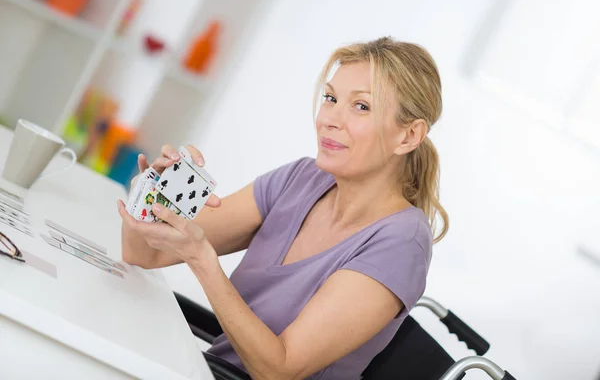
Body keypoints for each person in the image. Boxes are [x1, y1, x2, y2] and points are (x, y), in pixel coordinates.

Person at [117, 36, 449, 380]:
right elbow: (143, 254)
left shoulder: (401, 245)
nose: (330, 119)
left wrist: (202, 260)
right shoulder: (300, 179)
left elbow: (280, 370)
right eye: (331, 98)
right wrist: (153, 195)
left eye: (361, 106)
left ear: (409, 136)